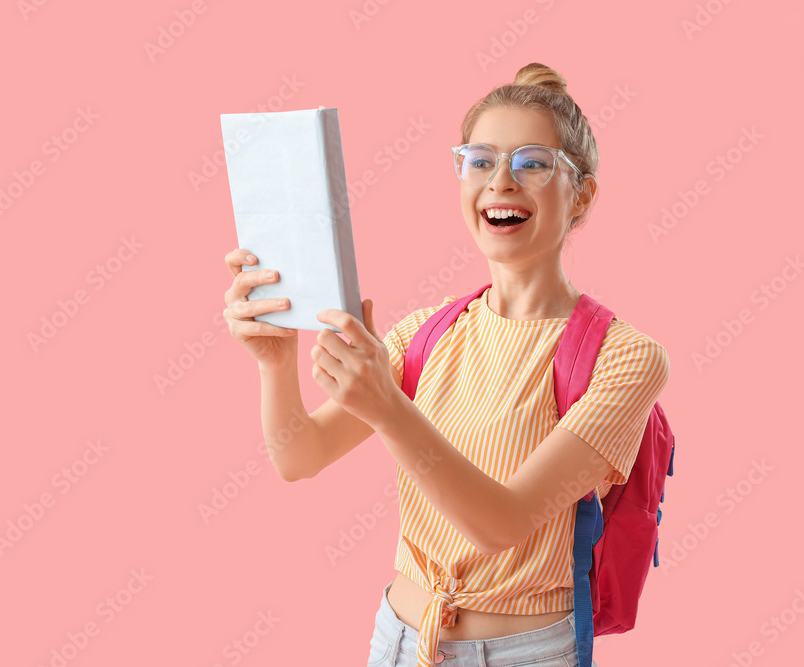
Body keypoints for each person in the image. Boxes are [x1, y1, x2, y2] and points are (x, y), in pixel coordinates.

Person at [221, 62, 669, 667]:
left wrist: (387, 407)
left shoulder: (625, 356)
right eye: (480, 160)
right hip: (398, 640)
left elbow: (502, 523)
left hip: (526, 654)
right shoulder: (426, 335)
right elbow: (298, 457)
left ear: (581, 193)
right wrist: (275, 362)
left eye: (532, 162)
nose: (501, 181)